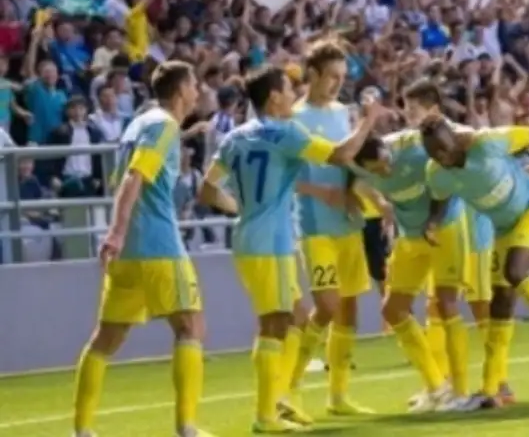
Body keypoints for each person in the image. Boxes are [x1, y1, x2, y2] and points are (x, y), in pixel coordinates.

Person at [196, 65, 379, 432]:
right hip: (271, 243)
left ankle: (281, 399)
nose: (294, 93)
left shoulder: (234, 137)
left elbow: (207, 190)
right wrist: (369, 120)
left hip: (249, 238)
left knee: (296, 318)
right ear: (274, 97)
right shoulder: (287, 133)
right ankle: (265, 415)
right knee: (275, 323)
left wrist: (242, 209)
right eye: (288, 88)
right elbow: (341, 154)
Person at [72, 60, 210, 437]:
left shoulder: (139, 124)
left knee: (106, 337)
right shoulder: (164, 125)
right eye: (193, 84)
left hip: (128, 255)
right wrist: (116, 232)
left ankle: (81, 429)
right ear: (180, 90)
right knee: (191, 326)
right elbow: (134, 176)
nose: (198, 90)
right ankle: (187, 427)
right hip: (158, 245)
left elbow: (123, 174)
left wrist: (119, 236)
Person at [420, 109, 529, 407]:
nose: (442, 157)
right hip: (504, 227)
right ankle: (491, 390)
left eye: (444, 149)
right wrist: (432, 222)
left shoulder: (486, 143)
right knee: (500, 305)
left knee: (515, 272)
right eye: (434, 154)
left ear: (454, 138)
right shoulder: (437, 172)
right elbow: (439, 200)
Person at [400, 80, 513, 406]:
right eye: (406, 108)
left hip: (471, 232)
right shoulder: (419, 142)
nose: (408, 115)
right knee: (436, 306)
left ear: (434, 109)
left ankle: (500, 381)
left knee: (480, 306)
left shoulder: (461, 138)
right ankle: (444, 382)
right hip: (443, 233)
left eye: (414, 109)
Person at [345, 131, 472, 412]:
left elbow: (447, 176)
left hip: (445, 230)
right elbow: (354, 182)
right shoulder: (359, 169)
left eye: (385, 163)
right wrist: (380, 205)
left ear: (386, 147)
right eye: (377, 170)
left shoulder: (415, 150)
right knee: (392, 309)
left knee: (445, 304)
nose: (385, 171)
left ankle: (461, 392)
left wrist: (435, 220)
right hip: (410, 237)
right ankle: (436, 386)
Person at [288, 40, 378, 415]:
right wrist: (321, 192)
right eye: (331, 76)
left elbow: (350, 162)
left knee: (349, 309)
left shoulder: (343, 112)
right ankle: (289, 388)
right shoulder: (294, 118)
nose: (338, 84)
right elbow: (286, 177)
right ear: (312, 74)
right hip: (315, 227)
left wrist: (363, 194)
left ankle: (338, 396)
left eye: (342, 77)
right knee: (326, 306)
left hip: (348, 223)